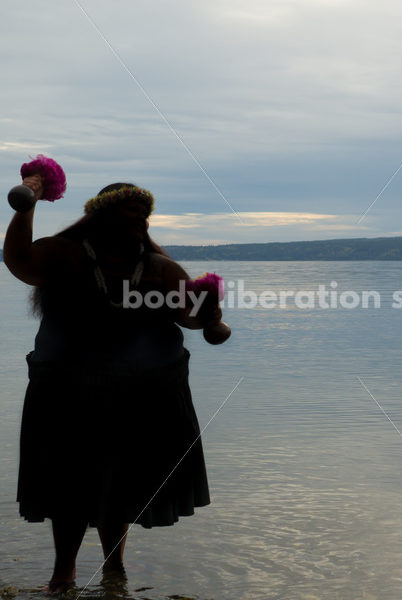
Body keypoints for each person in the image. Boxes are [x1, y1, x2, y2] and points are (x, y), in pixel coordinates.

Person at [3, 176, 230, 593]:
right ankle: (63, 575)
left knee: (119, 486)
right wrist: (27, 203)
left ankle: (114, 574)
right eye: (131, 216)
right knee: (68, 489)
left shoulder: (159, 269)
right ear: (100, 217)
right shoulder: (64, 254)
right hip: (67, 394)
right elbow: (18, 261)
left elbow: (192, 318)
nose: (140, 224)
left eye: (143, 218)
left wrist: (208, 314)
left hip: (139, 396)